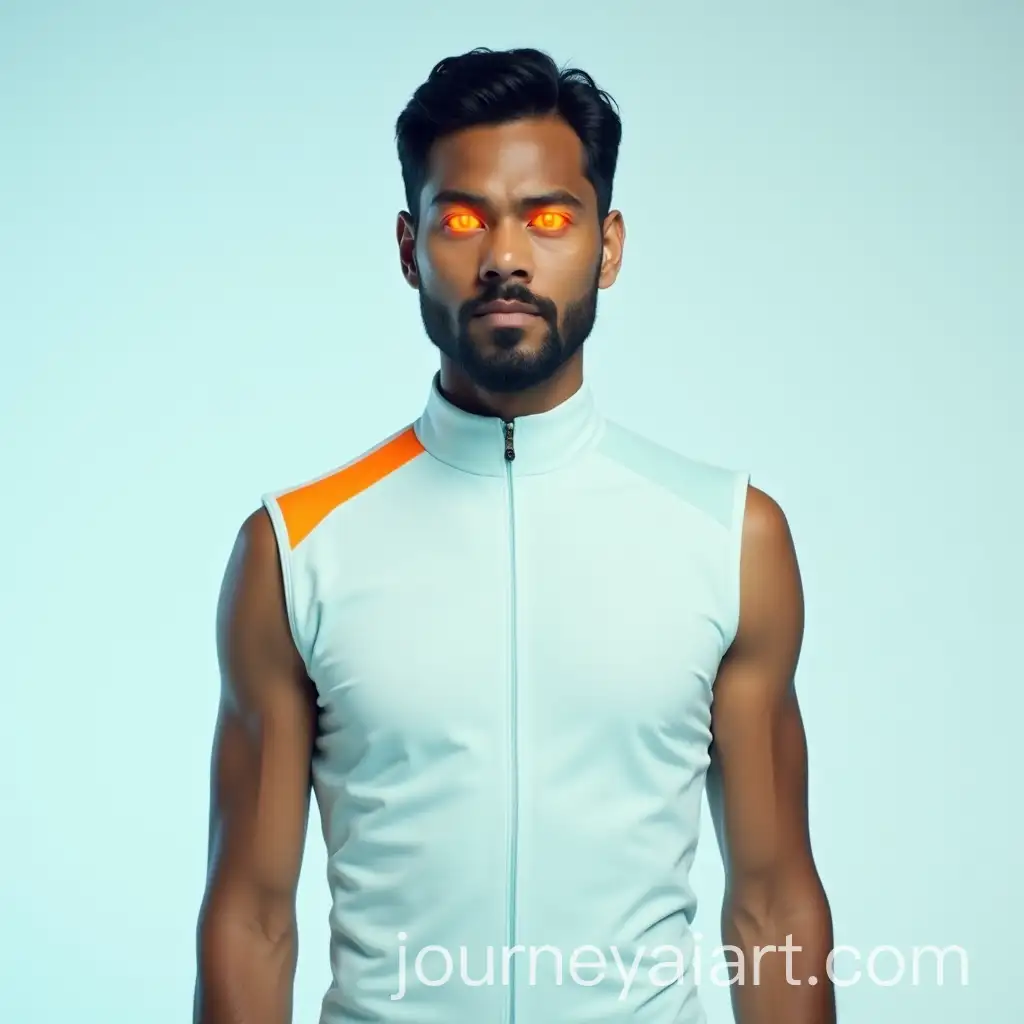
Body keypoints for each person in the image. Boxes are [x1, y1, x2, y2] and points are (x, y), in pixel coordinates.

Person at [193, 46, 835, 1024]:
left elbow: (772, 899)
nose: (503, 255)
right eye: (461, 219)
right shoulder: (296, 549)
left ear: (607, 247)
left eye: (546, 217)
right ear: (409, 248)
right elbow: (249, 914)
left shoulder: (727, 535)